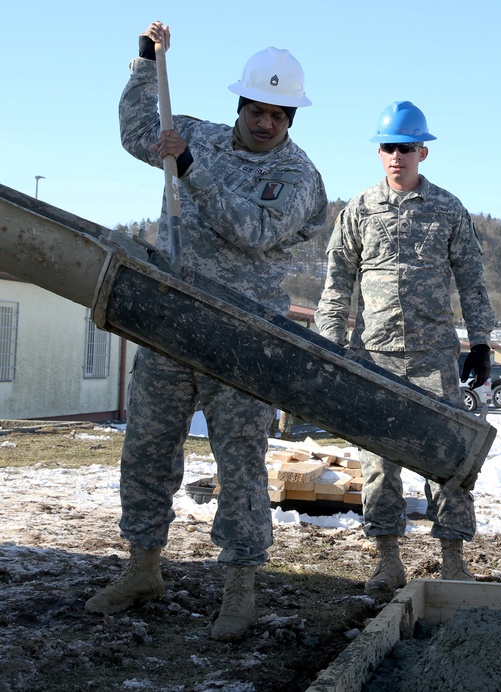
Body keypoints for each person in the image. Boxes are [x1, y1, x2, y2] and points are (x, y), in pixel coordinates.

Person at [85, 22, 328, 641]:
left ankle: (240, 586)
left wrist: (188, 167)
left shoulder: (300, 180)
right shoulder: (200, 135)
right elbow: (140, 132)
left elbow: (252, 231)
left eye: (279, 114)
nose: (266, 122)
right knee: (146, 447)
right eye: (257, 109)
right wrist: (145, 62)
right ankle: (142, 566)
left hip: (242, 338)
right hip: (172, 320)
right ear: (240, 104)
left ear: (291, 119)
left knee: (240, 463)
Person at [315, 101, 495, 598]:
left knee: (448, 461)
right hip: (375, 357)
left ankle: (453, 560)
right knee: (378, 465)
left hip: (434, 357)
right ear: (379, 151)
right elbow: (336, 285)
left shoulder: (448, 209)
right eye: (390, 147)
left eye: (407, 147)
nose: (398, 156)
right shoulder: (358, 210)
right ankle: (387, 561)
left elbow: (472, 281)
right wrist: (331, 348)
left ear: (423, 151)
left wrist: (480, 342)